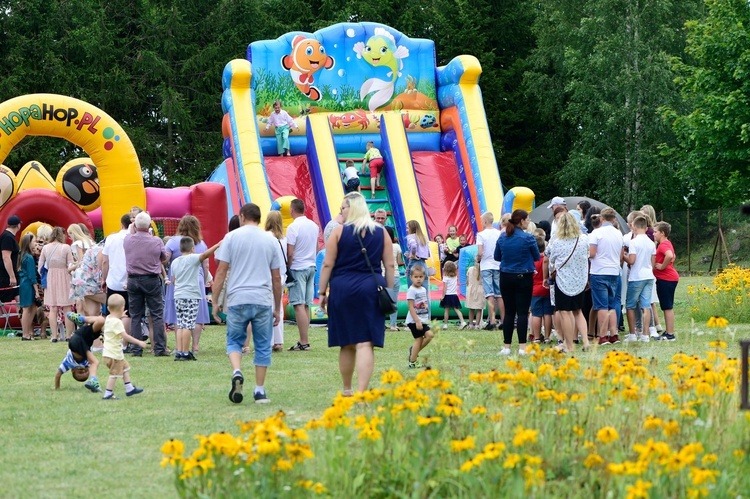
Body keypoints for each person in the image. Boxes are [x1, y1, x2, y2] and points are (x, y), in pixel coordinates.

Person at [318, 192, 395, 393]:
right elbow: (389, 265)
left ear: (351, 208)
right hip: (371, 288)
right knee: (365, 343)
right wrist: (389, 292)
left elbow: (327, 264)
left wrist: (322, 292)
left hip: (342, 288)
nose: (341, 211)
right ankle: (362, 392)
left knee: (346, 343)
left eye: (343, 207)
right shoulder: (381, 232)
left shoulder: (338, 232)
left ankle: (347, 389)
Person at [212, 203, 282, 404]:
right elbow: (276, 278)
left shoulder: (231, 238)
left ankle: (236, 371)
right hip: (262, 298)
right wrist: (277, 308)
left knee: (234, 341)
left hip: (237, 298)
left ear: (242, 217)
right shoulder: (270, 241)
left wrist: (215, 300)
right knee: (262, 345)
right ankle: (260, 391)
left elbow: (221, 271)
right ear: (259, 218)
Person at [494, 209, 539, 356]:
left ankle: (507, 347)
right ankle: (522, 348)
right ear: (522, 221)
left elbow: (497, 257)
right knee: (522, 313)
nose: (529, 221)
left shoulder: (502, 237)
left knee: (508, 312)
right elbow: (536, 256)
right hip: (523, 277)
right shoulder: (528, 238)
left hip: (506, 276)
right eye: (527, 219)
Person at [123, 212, 169, 357]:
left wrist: (133, 228)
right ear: (149, 225)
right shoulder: (156, 241)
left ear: (135, 225)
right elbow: (163, 258)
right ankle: (160, 348)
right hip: (151, 279)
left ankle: (136, 349)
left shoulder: (127, 239)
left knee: (135, 315)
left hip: (133, 279)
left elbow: (130, 234)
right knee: (156, 314)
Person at [164, 215, 211, 353]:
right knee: (196, 315)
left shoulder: (172, 242)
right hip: (197, 280)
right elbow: (205, 265)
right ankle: (195, 346)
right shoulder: (201, 244)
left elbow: (164, 260)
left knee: (179, 315)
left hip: (177, 280)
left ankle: (179, 346)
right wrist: (207, 278)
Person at [545, 213, 590, 353]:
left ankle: (569, 344)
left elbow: (551, 258)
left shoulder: (557, 241)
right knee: (578, 311)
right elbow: (587, 255)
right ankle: (586, 342)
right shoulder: (584, 239)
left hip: (563, 280)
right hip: (580, 280)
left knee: (564, 312)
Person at [171, 237, 221, 361]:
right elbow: (205, 255)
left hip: (178, 295)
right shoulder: (193, 259)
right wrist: (218, 244)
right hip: (191, 295)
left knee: (181, 324)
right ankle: (186, 352)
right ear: (192, 249)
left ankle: (179, 351)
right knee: (188, 325)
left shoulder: (175, 262)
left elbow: (173, 280)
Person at [286, 198, 319, 351]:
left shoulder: (293, 227)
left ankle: (304, 341)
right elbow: (317, 247)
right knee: (306, 304)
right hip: (311, 266)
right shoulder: (313, 225)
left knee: (298, 304)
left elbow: (290, 252)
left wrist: (288, 266)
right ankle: (304, 339)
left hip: (298, 267)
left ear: (292, 210)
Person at [589, 207, 624, 345]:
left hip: (599, 271)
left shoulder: (596, 233)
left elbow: (592, 253)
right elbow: (621, 256)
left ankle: (602, 335)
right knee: (612, 304)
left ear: (601, 218)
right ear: (614, 219)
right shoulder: (618, 234)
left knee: (601, 305)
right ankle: (613, 333)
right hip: (614, 271)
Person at [101, 294, 146, 400]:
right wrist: (139, 342)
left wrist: (119, 316)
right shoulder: (117, 322)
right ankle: (108, 393)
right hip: (114, 355)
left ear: (108, 308)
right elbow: (125, 336)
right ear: (122, 308)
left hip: (109, 353)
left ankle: (129, 388)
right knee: (114, 374)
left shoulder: (108, 318)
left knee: (125, 368)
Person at [39, 227, 75, 342]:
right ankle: (69, 335)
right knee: (67, 307)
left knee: (52, 308)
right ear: (62, 235)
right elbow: (70, 265)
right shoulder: (66, 247)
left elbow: (40, 267)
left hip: (50, 277)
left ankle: (54, 336)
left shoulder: (45, 248)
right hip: (64, 277)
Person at [624, 216, 656, 343]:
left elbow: (632, 261)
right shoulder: (651, 242)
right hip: (648, 275)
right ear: (646, 228)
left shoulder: (634, 242)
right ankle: (645, 334)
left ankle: (632, 334)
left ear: (634, 227)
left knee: (630, 305)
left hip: (636, 276)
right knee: (646, 305)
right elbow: (653, 261)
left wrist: (623, 256)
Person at [55, 314, 105, 392]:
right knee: (101, 321)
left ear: (72, 370)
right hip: (86, 340)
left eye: (80, 372)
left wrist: (56, 388)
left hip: (76, 343)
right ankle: (82, 319)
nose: (83, 369)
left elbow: (58, 375)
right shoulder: (87, 364)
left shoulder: (68, 363)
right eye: (85, 371)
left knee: (95, 362)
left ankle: (94, 381)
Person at [101, 214, 132, 335]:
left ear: (121, 224)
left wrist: (104, 278)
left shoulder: (111, 238)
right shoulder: (133, 238)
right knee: (127, 313)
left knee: (113, 311)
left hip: (113, 280)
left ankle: (113, 337)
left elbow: (105, 261)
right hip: (130, 280)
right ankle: (125, 342)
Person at [265, 211, 288, 352]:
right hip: (282, 275)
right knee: (278, 306)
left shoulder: (265, 237)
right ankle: (278, 341)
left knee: (267, 307)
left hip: (268, 275)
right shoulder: (284, 239)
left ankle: (268, 340)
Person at [476, 212, 503, 330]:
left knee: (489, 294)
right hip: (497, 264)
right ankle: (504, 320)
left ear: (485, 222)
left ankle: (492, 321)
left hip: (486, 265)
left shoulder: (481, 235)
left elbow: (480, 252)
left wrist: (478, 259)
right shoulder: (499, 234)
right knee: (499, 294)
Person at [653, 221, 678, 341]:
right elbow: (674, 256)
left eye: (655, 232)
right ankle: (668, 332)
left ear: (662, 233)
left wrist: (662, 266)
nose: (654, 234)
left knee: (667, 306)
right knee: (666, 306)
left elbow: (669, 255)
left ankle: (670, 334)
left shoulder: (663, 245)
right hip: (670, 278)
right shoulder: (667, 243)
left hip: (666, 278)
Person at [70, 240, 107, 317]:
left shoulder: (95, 248)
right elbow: (102, 266)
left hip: (81, 282)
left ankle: (90, 327)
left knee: (93, 314)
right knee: (115, 302)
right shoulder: (102, 250)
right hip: (89, 283)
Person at [405, 264, 431, 369]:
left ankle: (414, 352)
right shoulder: (411, 290)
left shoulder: (423, 289)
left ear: (424, 277)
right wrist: (417, 321)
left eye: (420, 277)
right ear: (411, 277)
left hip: (422, 319)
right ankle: (412, 361)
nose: (418, 279)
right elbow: (411, 307)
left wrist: (426, 318)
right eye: (416, 277)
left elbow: (424, 305)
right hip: (414, 321)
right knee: (419, 339)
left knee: (429, 335)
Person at [530, 236, 553, 343]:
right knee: (548, 313)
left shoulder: (532, 260)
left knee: (536, 314)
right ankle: (548, 336)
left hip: (535, 290)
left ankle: (537, 336)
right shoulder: (546, 259)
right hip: (547, 288)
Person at [17, 233, 40, 341]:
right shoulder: (29, 257)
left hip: (23, 283)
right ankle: (26, 333)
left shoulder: (22, 255)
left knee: (30, 308)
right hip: (28, 285)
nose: (35, 243)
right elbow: (32, 276)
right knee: (27, 309)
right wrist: (36, 291)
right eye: (34, 241)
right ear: (29, 243)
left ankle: (26, 332)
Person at [0, 215, 22, 303]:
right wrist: (11, 276)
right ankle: (22, 313)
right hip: (6, 274)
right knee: (14, 295)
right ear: (18, 225)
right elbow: (6, 257)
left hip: (10, 273)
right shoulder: (8, 237)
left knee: (17, 295)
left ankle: (22, 314)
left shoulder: (9, 236)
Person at [385, 226, 403, 332]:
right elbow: (399, 261)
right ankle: (392, 325)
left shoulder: (379, 245)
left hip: (383, 275)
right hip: (395, 275)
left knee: (380, 301)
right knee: (393, 302)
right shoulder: (396, 246)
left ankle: (380, 324)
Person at [439, 261, 466, 329]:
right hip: (454, 295)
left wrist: (442, 296)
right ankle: (462, 321)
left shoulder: (445, 277)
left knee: (446, 310)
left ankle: (445, 324)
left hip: (448, 295)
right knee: (456, 309)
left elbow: (445, 288)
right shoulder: (455, 277)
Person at [405, 220, 430, 288]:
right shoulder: (423, 237)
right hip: (423, 262)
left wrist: (413, 254)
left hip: (414, 262)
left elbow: (413, 245)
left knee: (412, 286)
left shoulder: (411, 237)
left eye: (407, 228)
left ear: (412, 229)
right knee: (424, 286)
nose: (406, 230)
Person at [465, 263, 484, 330]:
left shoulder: (470, 269)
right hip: (480, 290)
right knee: (479, 308)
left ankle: (470, 324)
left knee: (471, 308)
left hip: (471, 289)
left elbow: (467, 281)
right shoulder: (483, 270)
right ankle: (477, 325)